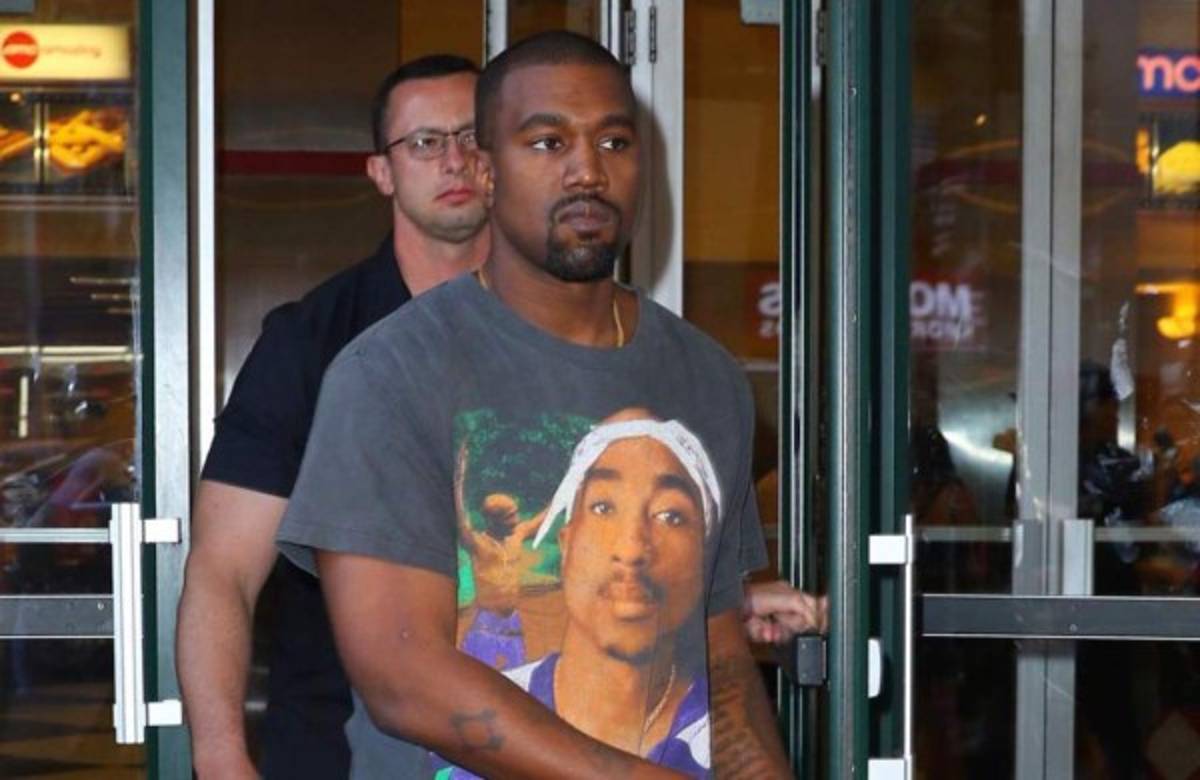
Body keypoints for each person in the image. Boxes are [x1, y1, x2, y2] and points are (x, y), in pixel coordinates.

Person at [277, 31, 792, 778]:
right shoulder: (389, 373)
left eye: (615, 142)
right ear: (486, 173)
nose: (588, 171)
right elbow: (403, 677)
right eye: (548, 143)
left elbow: (718, 656)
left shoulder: (706, 377)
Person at [177, 54, 490, 780]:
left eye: (474, 136)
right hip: (337, 747)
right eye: (425, 142)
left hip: (535, 732)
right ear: (381, 171)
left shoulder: (565, 331)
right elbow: (224, 570)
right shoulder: (310, 342)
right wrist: (220, 755)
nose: (454, 160)